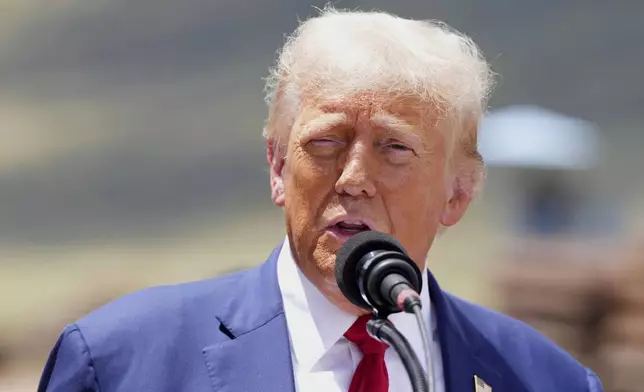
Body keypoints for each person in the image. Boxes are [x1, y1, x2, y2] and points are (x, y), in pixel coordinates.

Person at [38, 7, 603, 392]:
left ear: (458, 194)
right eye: (325, 142)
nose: (354, 177)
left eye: (395, 149)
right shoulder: (120, 363)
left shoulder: (542, 379)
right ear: (279, 167)